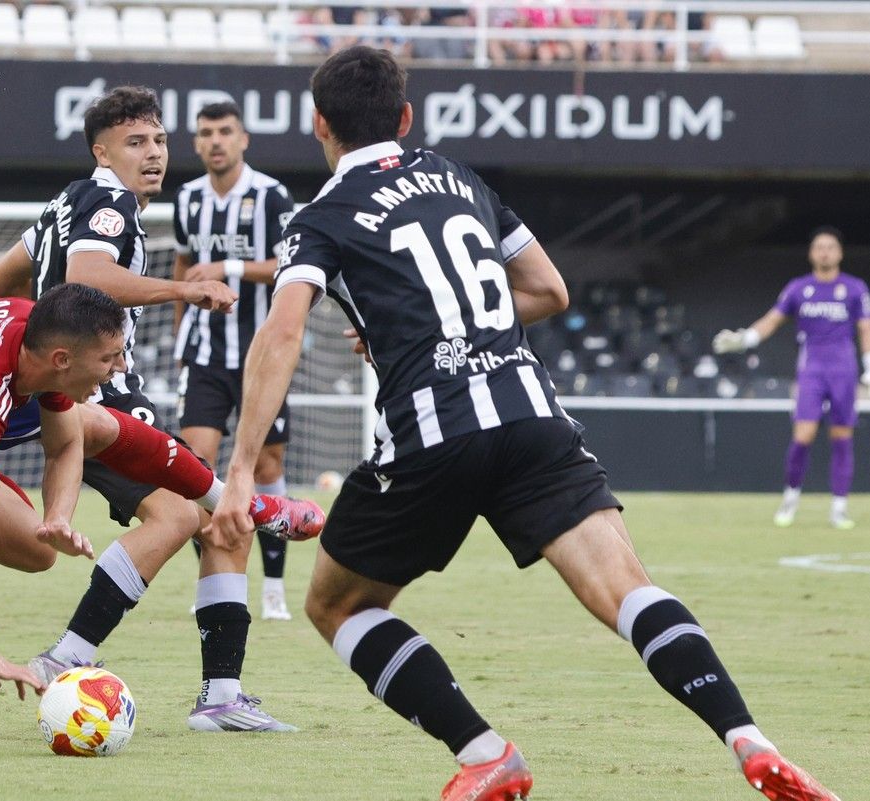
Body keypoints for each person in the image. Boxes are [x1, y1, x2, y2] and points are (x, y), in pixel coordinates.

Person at [212, 46, 841, 801]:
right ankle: (750, 738)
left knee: (336, 604)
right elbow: (547, 288)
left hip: (432, 432)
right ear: (406, 118)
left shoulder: (321, 217)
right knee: (629, 592)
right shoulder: (459, 179)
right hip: (532, 416)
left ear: (319, 124)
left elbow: (280, 335)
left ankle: (485, 752)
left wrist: (242, 469)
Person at [0, 86, 320, 732]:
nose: (154, 153)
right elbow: (87, 278)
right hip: (100, 395)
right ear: (101, 151)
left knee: (212, 521)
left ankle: (211, 689)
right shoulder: (107, 198)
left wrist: (40, 349)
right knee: (190, 515)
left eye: (159, 140)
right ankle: (81, 660)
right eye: (136, 142)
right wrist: (183, 287)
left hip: (77, 393)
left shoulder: (63, 203)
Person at [0, 283, 315, 698]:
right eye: (108, 358)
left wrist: (59, 514)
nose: (119, 369)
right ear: (63, 359)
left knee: (97, 423)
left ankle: (238, 500)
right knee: (34, 553)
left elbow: (64, 448)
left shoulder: (33, 333)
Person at [172, 100, 298, 621]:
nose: (216, 140)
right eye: (206, 133)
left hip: (259, 356)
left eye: (225, 131)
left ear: (243, 139)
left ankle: (273, 585)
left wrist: (228, 265)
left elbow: (291, 265)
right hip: (203, 356)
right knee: (196, 471)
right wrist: (182, 324)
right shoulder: (186, 199)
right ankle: (220, 583)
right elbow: (183, 262)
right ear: (197, 143)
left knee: (266, 465)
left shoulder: (271, 195)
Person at [714, 226, 870, 530]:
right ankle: (790, 498)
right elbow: (773, 319)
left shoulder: (854, 288)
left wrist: (869, 362)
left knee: (841, 438)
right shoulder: (799, 288)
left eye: (830, 247)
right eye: (819, 247)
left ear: (839, 252)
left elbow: (866, 328)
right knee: (803, 436)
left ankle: (839, 508)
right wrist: (745, 338)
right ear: (811, 253)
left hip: (844, 371)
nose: (825, 251)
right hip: (811, 371)